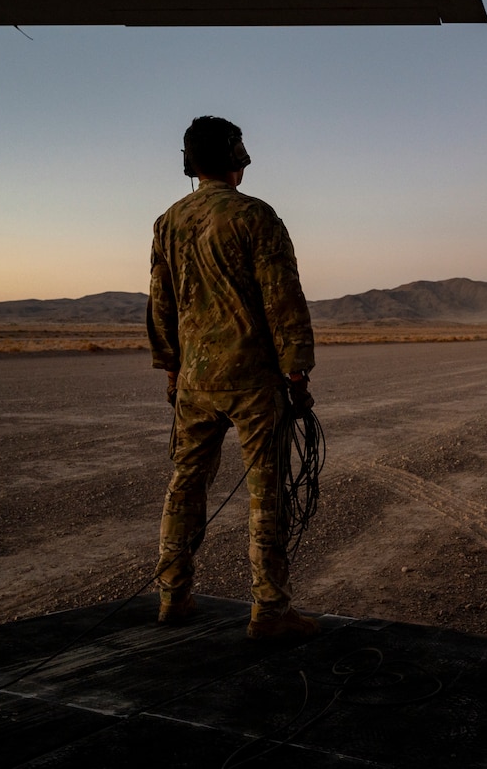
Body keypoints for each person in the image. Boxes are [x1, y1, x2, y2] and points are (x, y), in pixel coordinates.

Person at [147, 115, 319, 639]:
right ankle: (270, 611)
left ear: (189, 164)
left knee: (184, 486)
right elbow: (282, 296)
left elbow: (161, 303)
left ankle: (173, 596)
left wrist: (173, 368)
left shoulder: (168, 221)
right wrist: (297, 369)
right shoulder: (255, 216)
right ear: (237, 158)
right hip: (252, 381)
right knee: (267, 492)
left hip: (195, 382)